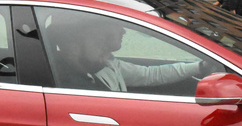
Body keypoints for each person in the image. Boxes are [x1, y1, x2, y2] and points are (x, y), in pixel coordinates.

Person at [53, 14, 211, 92]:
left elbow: (150, 75)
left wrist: (200, 67)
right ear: (96, 31)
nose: (123, 31)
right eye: (116, 25)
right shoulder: (71, 81)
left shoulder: (106, 63)